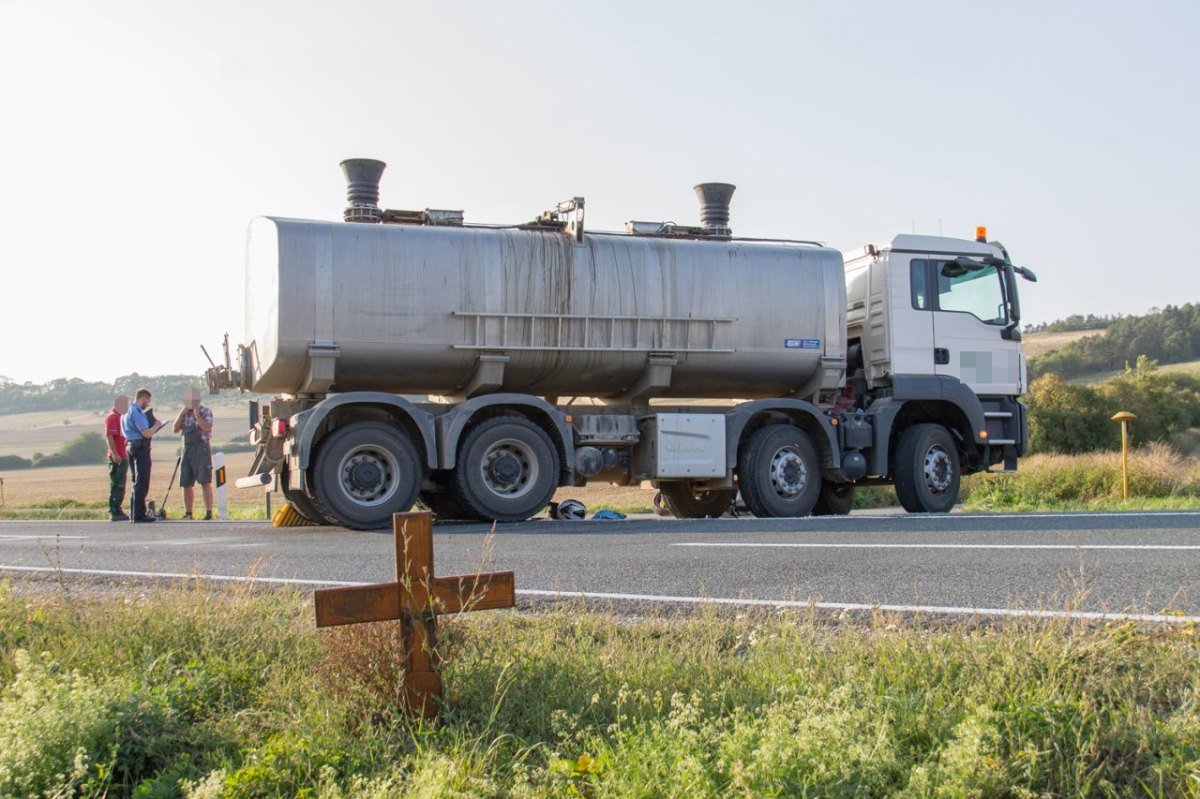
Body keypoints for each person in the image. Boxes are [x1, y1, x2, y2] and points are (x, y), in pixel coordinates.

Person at [122, 388, 168, 523]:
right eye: (147, 401)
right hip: (140, 448)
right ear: (143, 398)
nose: (147, 404)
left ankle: (134, 512)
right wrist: (157, 426)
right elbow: (146, 433)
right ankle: (139, 514)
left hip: (129, 446)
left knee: (134, 481)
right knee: (142, 482)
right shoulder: (137, 413)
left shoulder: (125, 413)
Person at [173, 387, 214, 520]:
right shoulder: (184, 414)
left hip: (201, 449)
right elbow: (175, 429)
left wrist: (197, 415)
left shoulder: (205, 411)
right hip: (187, 450)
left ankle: (208, 512)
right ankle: (188, 513)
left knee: (204, 481)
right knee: (186, 482)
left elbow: (207, 427)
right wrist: (181, 414)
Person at [105, 394, 131, 521]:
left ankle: (118, 509)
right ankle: (114, 511)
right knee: (116, 484)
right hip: (117, 456)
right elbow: (109, 436)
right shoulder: (113, 417)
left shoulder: (122, 417)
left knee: (121, 484)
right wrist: (115, 453)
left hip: (123, 454)